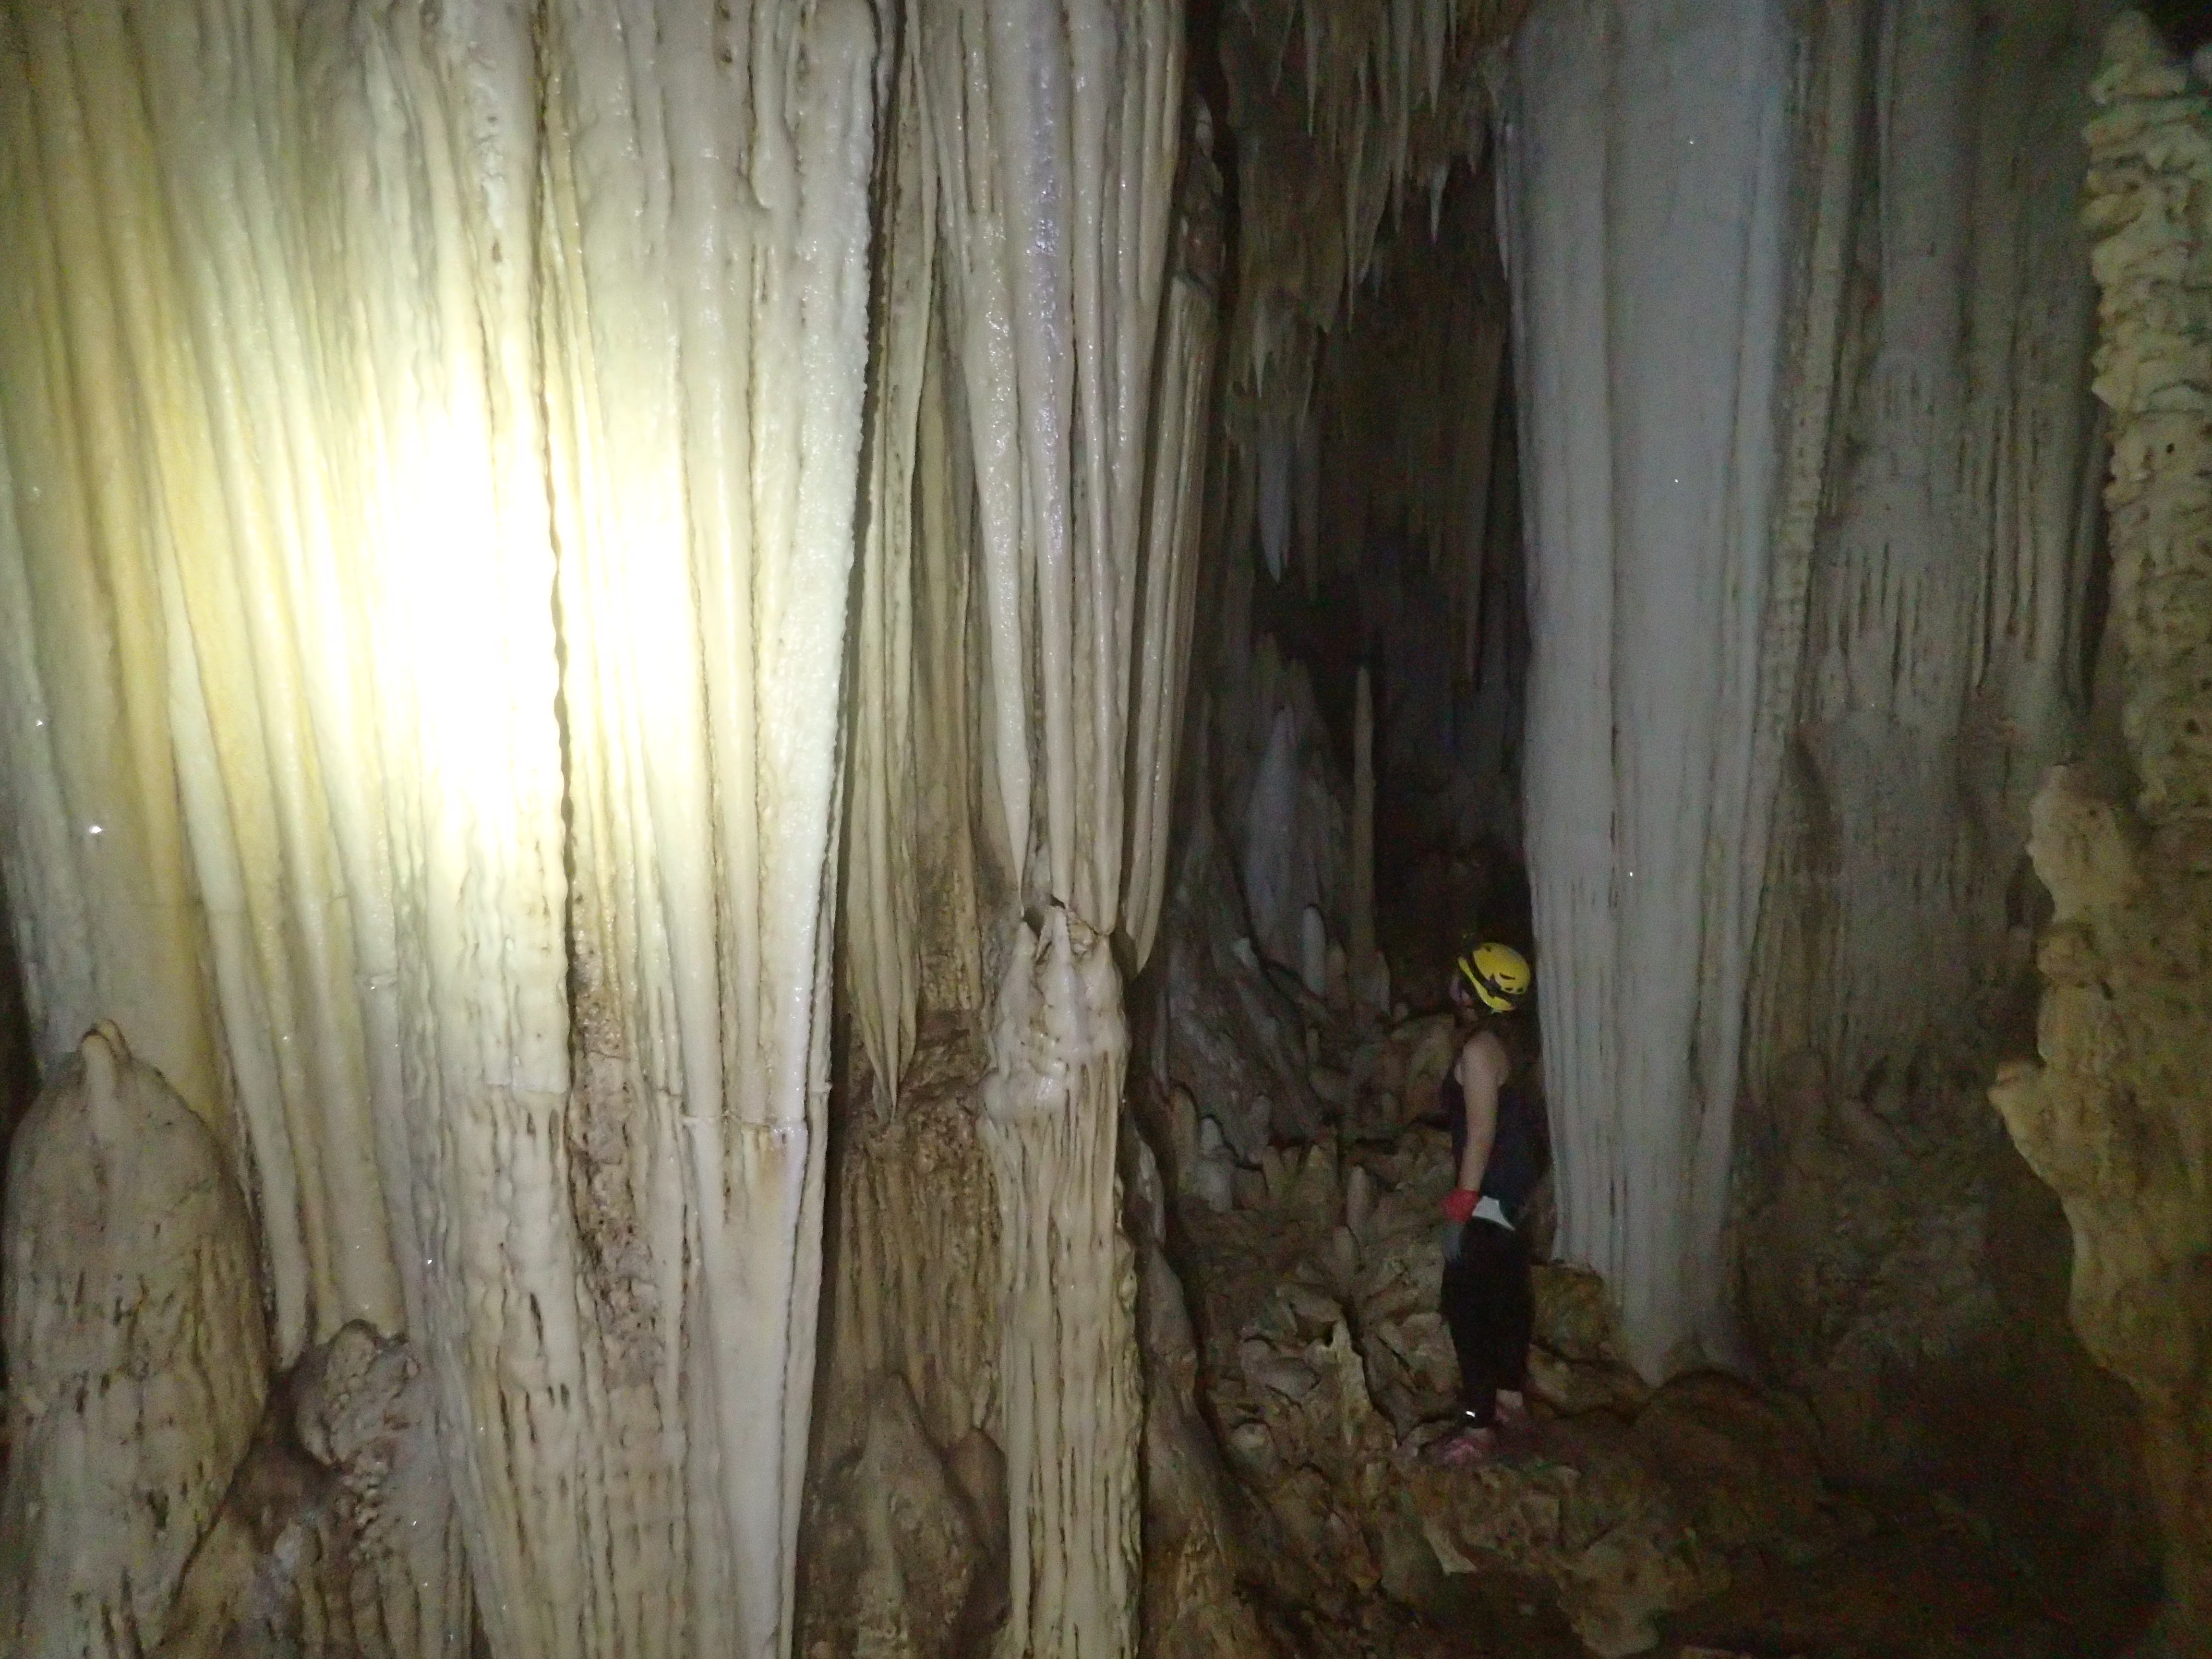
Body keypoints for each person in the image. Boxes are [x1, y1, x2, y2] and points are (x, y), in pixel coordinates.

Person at [1428, 941, 1541, 1467]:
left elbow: (1479, 1135)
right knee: (1508, 1294)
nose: (1454, 981)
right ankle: (1510, 1398)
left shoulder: (1477, 1052)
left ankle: (1478, 1425)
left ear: (1475, 993)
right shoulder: (1509, 1044)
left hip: (1490, 1195)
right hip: (1515, 1194)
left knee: (1467, 1304)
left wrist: (1461, 1208)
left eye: (1464, 976)